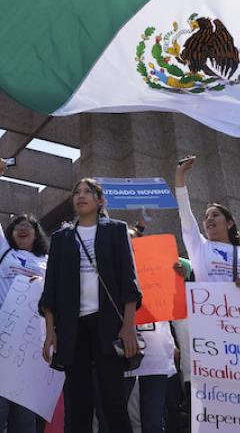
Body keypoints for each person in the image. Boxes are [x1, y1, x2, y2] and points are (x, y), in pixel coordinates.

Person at [40, 178, 141, 433]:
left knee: (113, 401)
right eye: (77, 192)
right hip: (73, 329)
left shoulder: (116, 230)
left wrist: (128, 326)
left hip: (108, 326)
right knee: (78, 403)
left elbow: (129, 282)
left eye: (88, 192)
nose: (80, 196)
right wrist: (50, 332)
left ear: (100, 201)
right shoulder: (61, 237)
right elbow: (50, 289)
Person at [0, 158, 49, 433]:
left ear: (36, 234)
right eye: (18, 225)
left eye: (29, 226)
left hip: (34, 341)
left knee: (25, 413)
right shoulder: (1, 251)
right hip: (1, 337)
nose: (23, 228)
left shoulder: (48, 260)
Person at [173, 156, 240, 284]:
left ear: (229, 223)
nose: (209, 219)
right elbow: (185, 213)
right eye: (206, 217)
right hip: (210, 304)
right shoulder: (199, 246)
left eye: (215, 215)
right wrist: (179, 174)